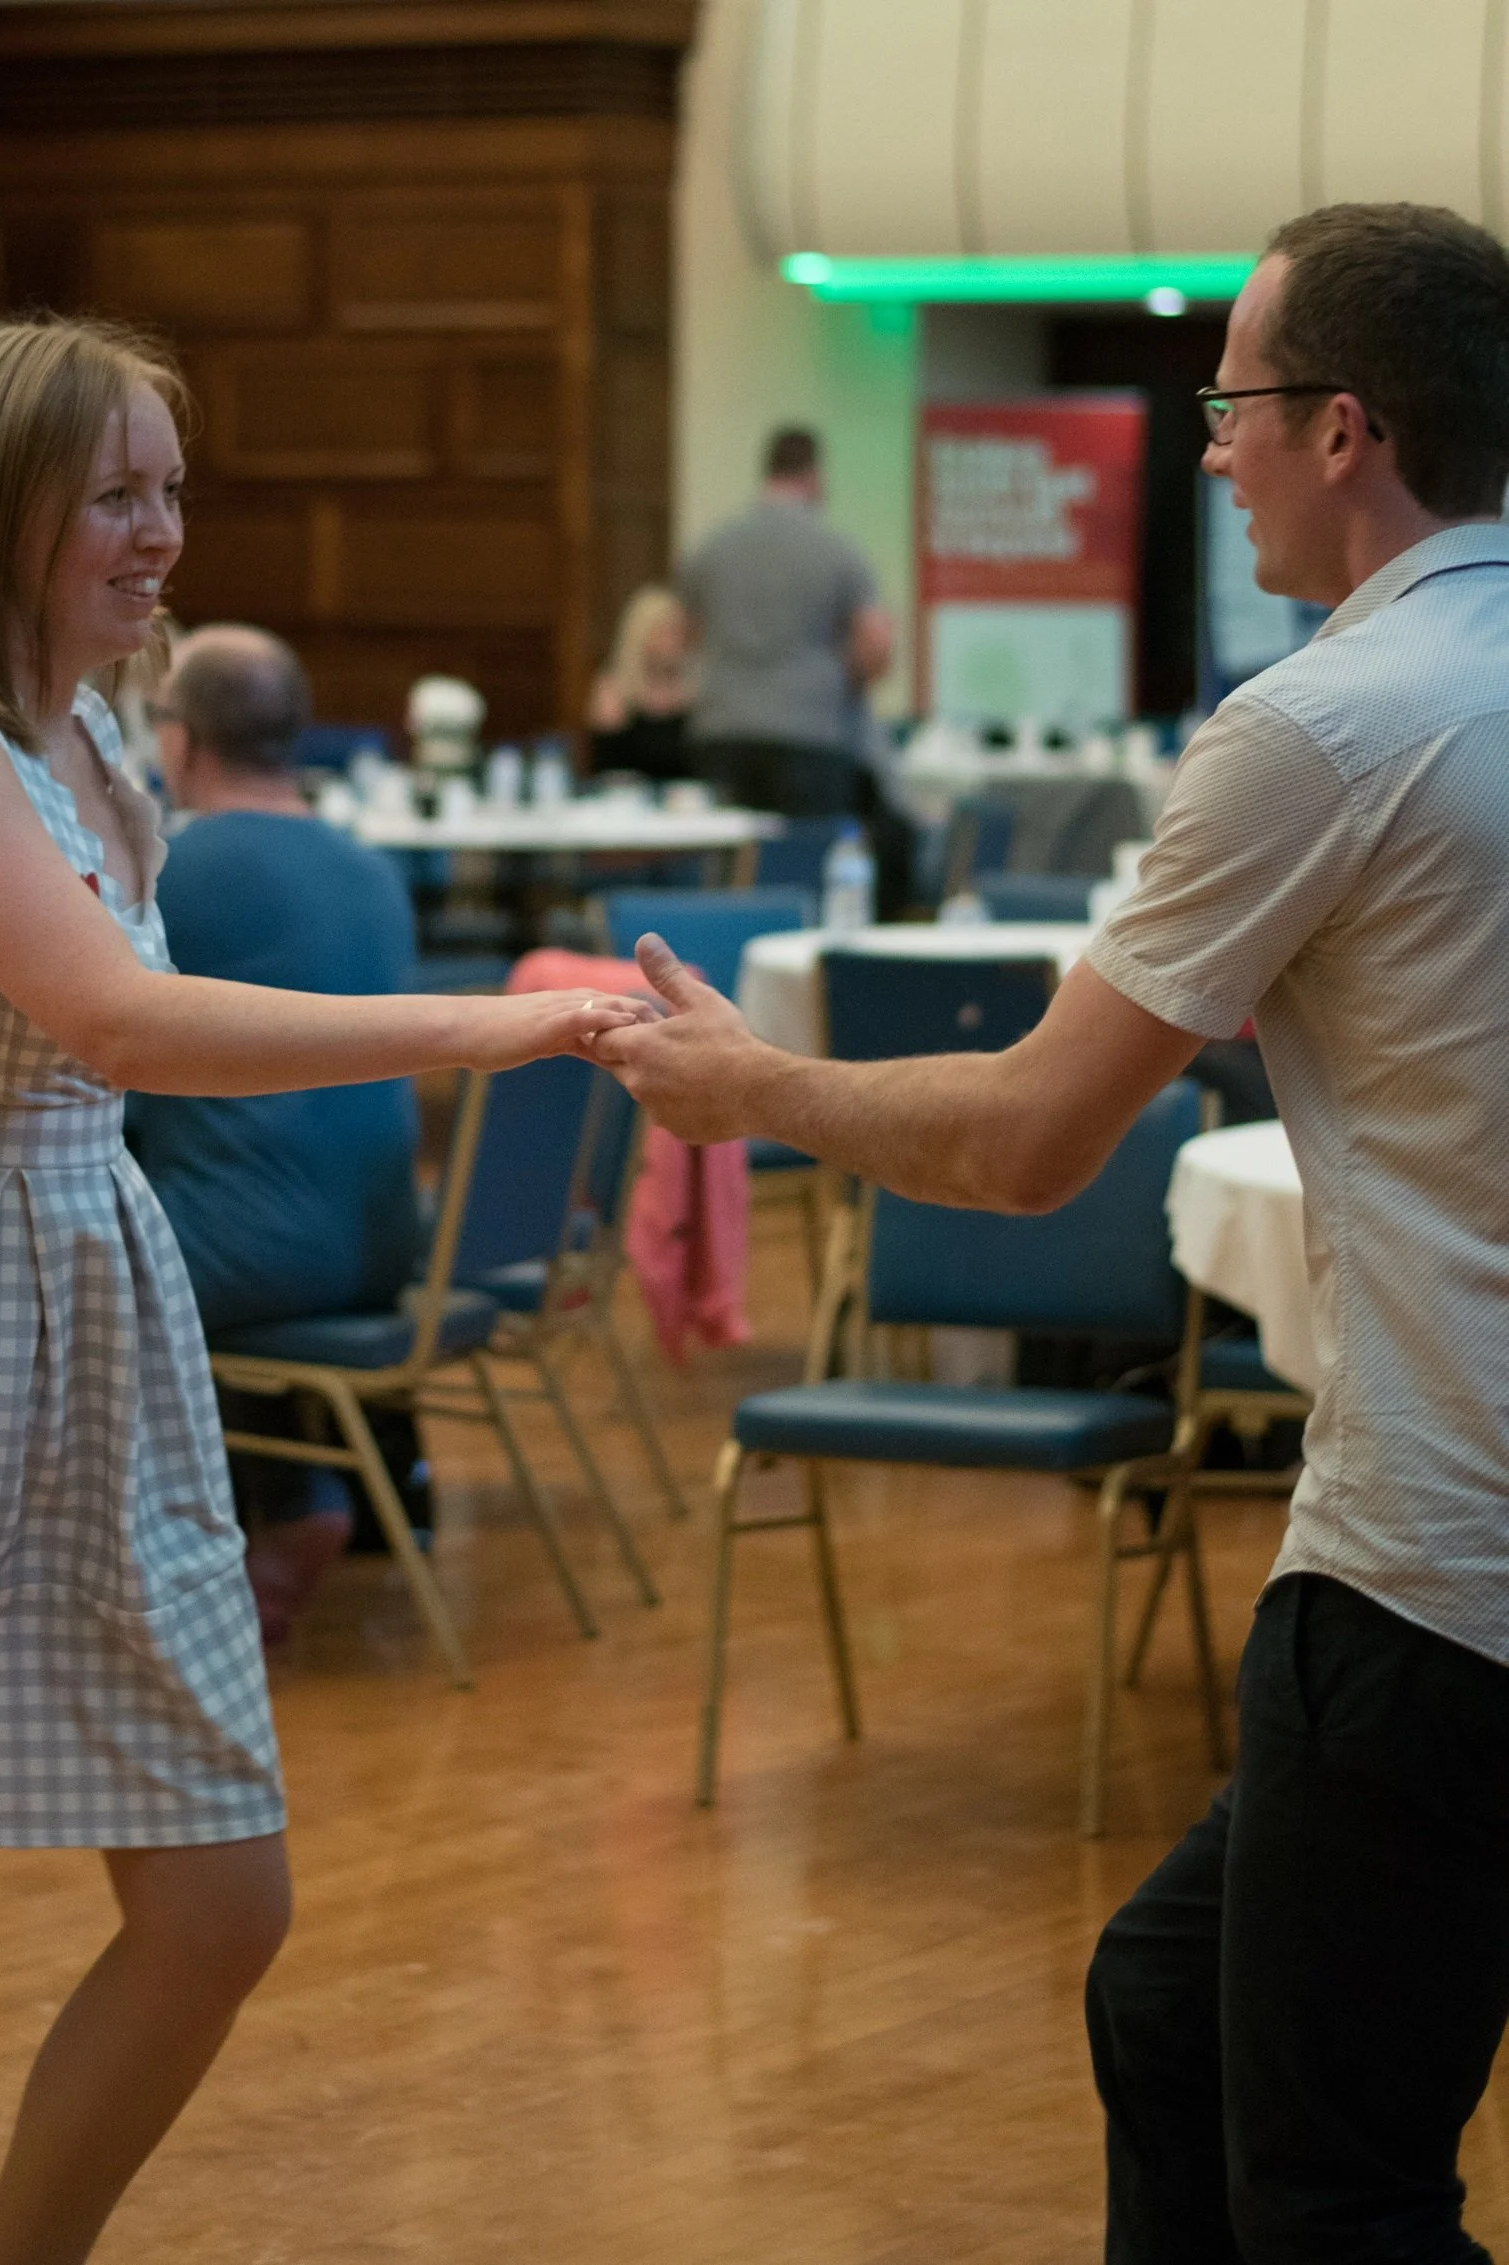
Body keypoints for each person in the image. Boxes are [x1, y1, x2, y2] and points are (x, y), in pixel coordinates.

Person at [0, 314, 638, 2265]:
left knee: (219, 1908)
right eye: (116, 493)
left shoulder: (91, 727)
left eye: (172, 486)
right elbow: (110, 1019)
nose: (161, 529)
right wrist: (478, 1028)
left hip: (71, 1292)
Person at [594, 203, 1509, 2264]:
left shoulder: (1321, 724)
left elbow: (1024, 1140)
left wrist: (756, 1095)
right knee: (1168, 2005)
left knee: (1340, 2198)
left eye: (1234, 405)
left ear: (1344, 428)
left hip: (1445, 1572)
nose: (1209, 446)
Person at [124, 622, 426, 1639]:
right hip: (385, 1245)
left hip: (249, 1257)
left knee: (65, 1248)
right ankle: (301, 1502)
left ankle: (97, 1586)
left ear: (178, 743)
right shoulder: (372, 872)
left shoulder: (171, 872)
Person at [675, 426, 894, 819]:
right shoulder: (836, 549)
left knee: (733, 860)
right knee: (803, 860)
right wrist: (847, 679)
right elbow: (875, 644)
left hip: (723, 729)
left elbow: (684, 634)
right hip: (809, 733)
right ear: (814, 476)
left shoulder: (713, 547)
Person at [586, 584, 695, 782]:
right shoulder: (614, 688)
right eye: (667, 631)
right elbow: (606, 764)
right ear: (641, 634)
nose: (676, 640)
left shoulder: (695, 688)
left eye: (680, 631)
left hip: (685, 803)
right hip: (628, 800)